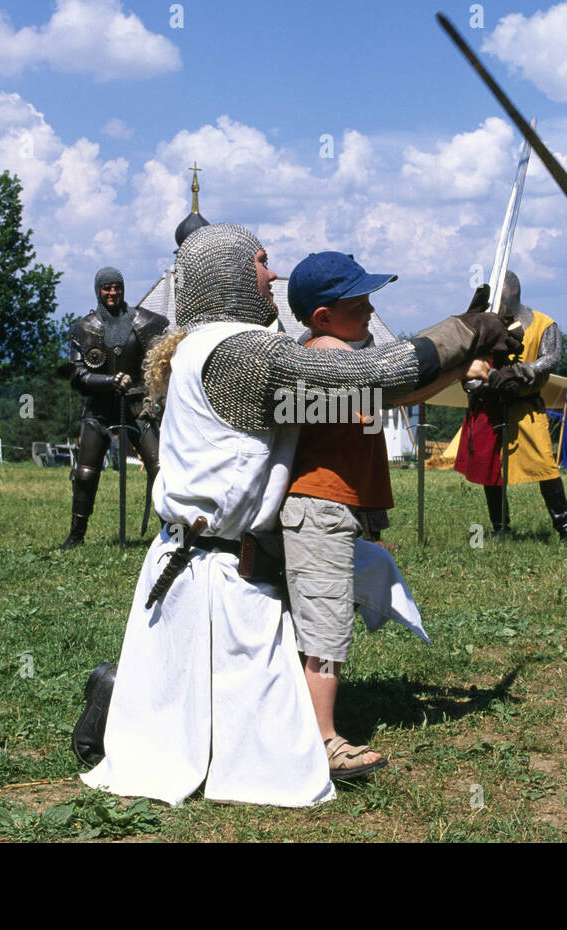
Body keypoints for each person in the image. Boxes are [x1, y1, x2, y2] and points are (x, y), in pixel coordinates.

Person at [75, 223, 518, 806]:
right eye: (261, 263)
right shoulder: (241, 352)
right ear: (228, 274)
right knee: (268, 753)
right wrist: (467, 330)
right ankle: (122, 694)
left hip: (202, 558)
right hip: (220, 572)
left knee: (207, 712)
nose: (271, 275)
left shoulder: (204, 348)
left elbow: (365, 395)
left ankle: (126, 691)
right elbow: (372, 375)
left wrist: (457, 354)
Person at [280, 251, 490, 780]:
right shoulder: (326, 355)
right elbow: (386, 389)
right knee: (325, 629)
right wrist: (460, 343)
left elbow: (395, 391)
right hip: (319, 507)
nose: (371, 309)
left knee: (323, 623)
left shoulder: (339, 354)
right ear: (323, 317)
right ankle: (323, 741)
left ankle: (305, 723)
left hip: (327, 508)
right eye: (359, 302)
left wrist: (460, 362)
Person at [454, 270, 567, 546]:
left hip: (525, 404)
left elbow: (550, 359)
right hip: (490, 404)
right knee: (492, 469)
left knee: (546, 466)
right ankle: (500, 528)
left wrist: (521, 371)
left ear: (512, 294)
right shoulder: (485, 323)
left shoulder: (543, 324)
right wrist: (484, 380)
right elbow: (468, 357)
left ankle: (566, 530)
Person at [59, 268, 168, 549]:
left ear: (123, 288)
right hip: (100, 406)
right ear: (98, 290)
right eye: (107, 288)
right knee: (85, 473)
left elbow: (159, 365)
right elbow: (78, 376)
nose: (112, 293)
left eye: (116, 287)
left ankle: (169, 532)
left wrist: (153, 400)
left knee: (159, 468)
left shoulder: (146, 323)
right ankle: (76, 534)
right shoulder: (83, 329)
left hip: (138, 404)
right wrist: (110, 380)